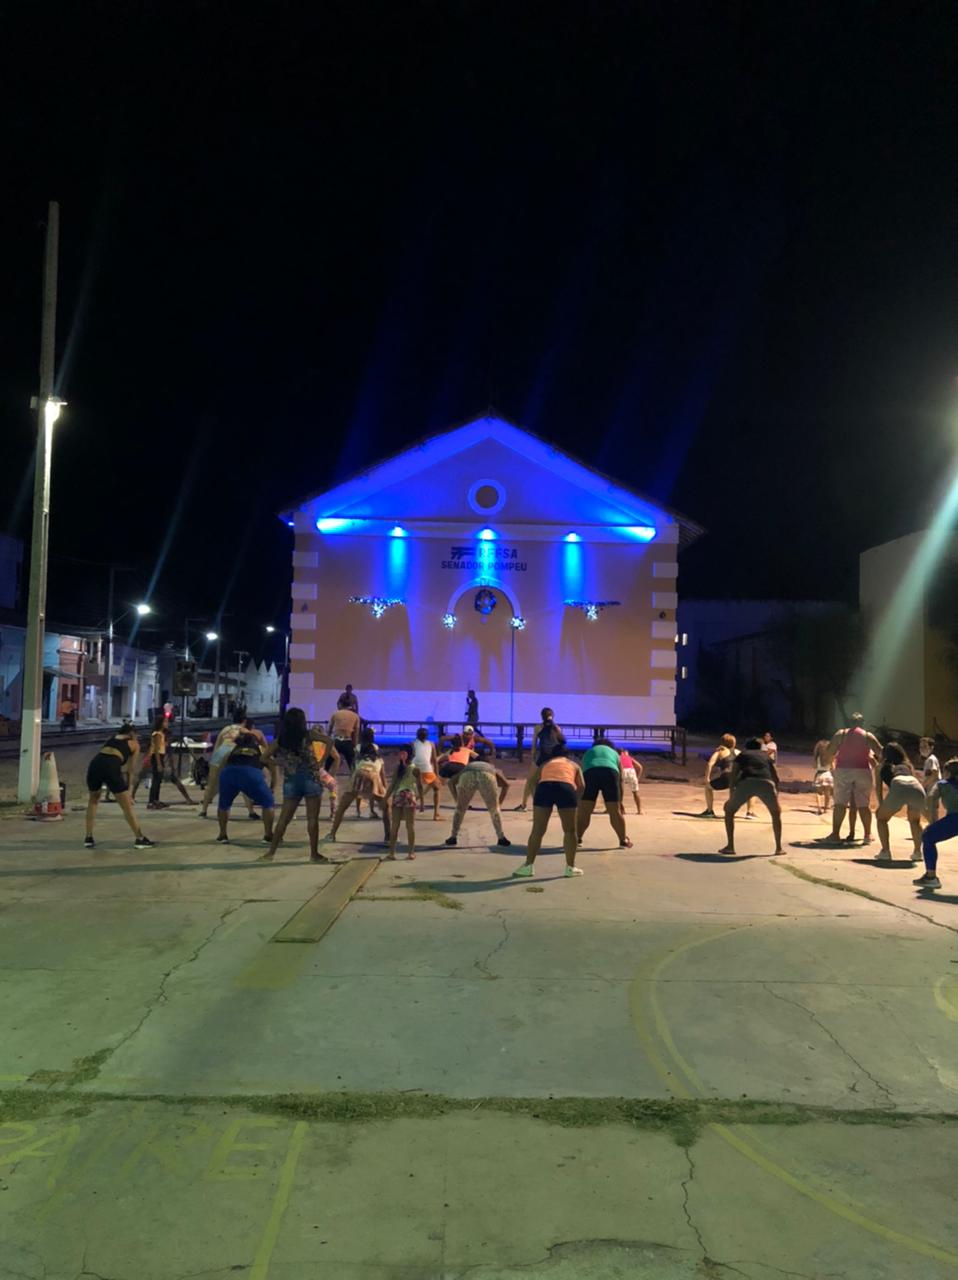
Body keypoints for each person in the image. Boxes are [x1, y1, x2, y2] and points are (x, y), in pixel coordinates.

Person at [260, 708, 339, 863]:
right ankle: (314, 854)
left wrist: (281, 762)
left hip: (292, 780)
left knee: (284, 819)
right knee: (312, 819)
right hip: (311, 778)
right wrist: (322, 761)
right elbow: (329, 741)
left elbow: (263, 758)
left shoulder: (282, 739)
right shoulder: (308, 735)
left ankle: (270, 853)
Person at [512, 746, 585, 878]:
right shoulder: (573, 764)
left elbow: (532, 781)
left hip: (544, 788)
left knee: (537, 830)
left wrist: (536, 797)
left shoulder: (546, 763)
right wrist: (576, 800)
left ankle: (528, 866)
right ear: (567, 755)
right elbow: (582, 785)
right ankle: (570, 867)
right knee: (569, 831)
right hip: (566, 788)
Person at [84, 723, 155, 850]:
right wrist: (129, 790)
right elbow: (130, 770)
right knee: (126, 807)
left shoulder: (111, 738)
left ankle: (88, 837)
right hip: (111, 766)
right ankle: (139, 838)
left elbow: (106, 754)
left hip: (95, 764)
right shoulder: (134, 744)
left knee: (93, 801)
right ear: (132, 733)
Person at [820, 713, 882, 845]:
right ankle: (867, 834)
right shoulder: (867, 736)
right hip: (863, 771)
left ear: (849, 722)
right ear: (862, 723)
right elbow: (881, 752)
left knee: (840, 804)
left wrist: (831, 763)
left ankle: (835, 834)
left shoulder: (840, 734)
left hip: (844, 770)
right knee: (864, 804)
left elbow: (830, 752)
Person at [718, 736, 783, 856]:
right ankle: (778, 848)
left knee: (729, 810)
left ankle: (730, 846)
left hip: (747, 782)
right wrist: (776, 795)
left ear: (747, 746)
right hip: (766, 783)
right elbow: (775, 777)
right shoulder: (766, 756)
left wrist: (731, 795)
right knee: (776, 813)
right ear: (760, 747)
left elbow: (733, 775)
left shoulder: (742, 755)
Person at [215, 729, 276, 845]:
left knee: (224, 804)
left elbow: (222, 765)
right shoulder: (261, 749)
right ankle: (268, 835)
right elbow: (273, 769)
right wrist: (272, 786)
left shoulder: (234, 749)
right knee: (268, 802)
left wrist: (220, 783)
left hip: (229, 773)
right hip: (251, 773)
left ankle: (222, 834)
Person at [325, 743, 391, 845]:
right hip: (373, 779)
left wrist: (349, 790)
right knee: (386, 808)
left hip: (359, 777)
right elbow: (383, 778)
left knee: (342, 808)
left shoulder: (358, 759)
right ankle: (388, 837)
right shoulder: (379, 760)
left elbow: (353, 775)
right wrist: (386, 795)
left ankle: (332, 834)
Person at [873, 741, 924, 862]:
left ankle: (885, 851)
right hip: (916, 785)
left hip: (898, 784)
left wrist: (881, 805)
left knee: (881, 818)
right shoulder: (908, 765)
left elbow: (878, 788)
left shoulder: (880, 767)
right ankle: (918, 852)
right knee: (915, 821)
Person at [577, 737, 632, 848]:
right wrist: (620, 800)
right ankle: (623, 840)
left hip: (590, 773)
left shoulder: (589, 752)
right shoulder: (614, 753)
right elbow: (621, 779)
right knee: (615, 812)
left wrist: (579, 799)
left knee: (585, 812)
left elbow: (580, 775)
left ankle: (577, 839)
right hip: (610, 773)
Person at [445, 758, 511, 847]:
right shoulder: (491, 767)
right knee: (494, 810)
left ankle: (453, 837)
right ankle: (501, 838)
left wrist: (457, 800)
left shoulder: (468, 766)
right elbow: (506, 785)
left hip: (467, 775)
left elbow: (450, 782)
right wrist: (499, 804)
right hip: (487, 775)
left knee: (459, 810)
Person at [199, 720, 258, 819]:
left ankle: (203, 810)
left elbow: (217, 745)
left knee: (212, 784)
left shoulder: (226, 729)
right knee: (244, 784)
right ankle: (251, 811)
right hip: (233, 753)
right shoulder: (245, 731)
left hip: (220, 753)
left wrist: (213, 760)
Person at [915, 757, 958, 890]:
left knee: (928, 836)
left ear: (947, 772)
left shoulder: (942, 784)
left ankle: (931, 876)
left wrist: (933, 822)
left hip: (955, 819)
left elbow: (931, 799)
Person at [516, 708, 565, 810]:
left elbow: (534, 744)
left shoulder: (538, 728)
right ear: (553, 716)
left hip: (542, 758)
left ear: (542, 716)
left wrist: (533, 758)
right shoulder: (557, 728)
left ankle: (525, 805)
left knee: (530, 781)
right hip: (554, 758)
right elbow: (562, 743)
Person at [142, 715, 193, 809]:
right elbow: (156, 750)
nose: (167, 724)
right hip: (157, 757)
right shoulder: (157, 734)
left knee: (158, 780)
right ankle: (151, 801)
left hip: (160, 756)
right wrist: (159, 763)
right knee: (156, 780)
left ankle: (156, 800)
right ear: (161, 723)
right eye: (165, 722)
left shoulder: (162, 734)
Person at [384, 745, 420, 860]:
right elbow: (419, 786)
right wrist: (421, 801)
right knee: (410, 826)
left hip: (398, 795)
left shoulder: (398, 768)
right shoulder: (415, 769)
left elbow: (392, 785)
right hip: (410, 796)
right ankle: (411, 853)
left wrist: (385, 798)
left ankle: (392, 853)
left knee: (395, 825)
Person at [698, 734, 737, 818]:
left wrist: (707, 778)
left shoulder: (720, 751)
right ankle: (748, 812)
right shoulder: (738, 752)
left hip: (727, 776)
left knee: (708, 787)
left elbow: (710, 764)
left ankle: (709, 811)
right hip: (738, 777)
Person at [412, 727, 441, 819]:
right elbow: (434, 760)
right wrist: (437, 775)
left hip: (414, 767)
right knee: (437, 788)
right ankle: (436, 814)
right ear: (427, 736)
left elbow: (414, 755)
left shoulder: (414, 743)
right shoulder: (431, 744)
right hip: (426, 768)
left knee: (418, 786)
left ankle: (421, 803)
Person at [437, 734, 476, 800]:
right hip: (461, 768)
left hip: (449, 767)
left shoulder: (451, 751)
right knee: (456, 783)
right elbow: (477, 757)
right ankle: (460, 801)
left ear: (452, 745)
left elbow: (438, 760)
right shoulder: (467, 750)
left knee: (438, 783)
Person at [328, 702, 360, 773]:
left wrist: (327, 743)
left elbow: (329, 730)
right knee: (353, 767)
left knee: (327, 764)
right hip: (347, 741)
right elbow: (356, 733)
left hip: (336, 741)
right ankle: (355, 779)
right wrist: (355, 745)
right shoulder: (355, 716)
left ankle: (323, 778)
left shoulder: (335, 714)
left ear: (340, 705)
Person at [619, 747, 643, 814]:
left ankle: (621, 809)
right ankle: (639, 810)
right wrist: (637, 778)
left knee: (619, 792)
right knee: (635, 792)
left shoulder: (618, 757)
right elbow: (640, 767)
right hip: (631, 771)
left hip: (623, 770)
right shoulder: (629, 757)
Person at [812, 739, 834, 814]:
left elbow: (814, 766)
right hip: (828, 775)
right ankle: (825, 809)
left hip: (819, 775)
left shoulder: (817, 758)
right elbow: (833, 767)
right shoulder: (830, 757)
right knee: (827, 793)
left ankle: (819, 808)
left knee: (818, 793)